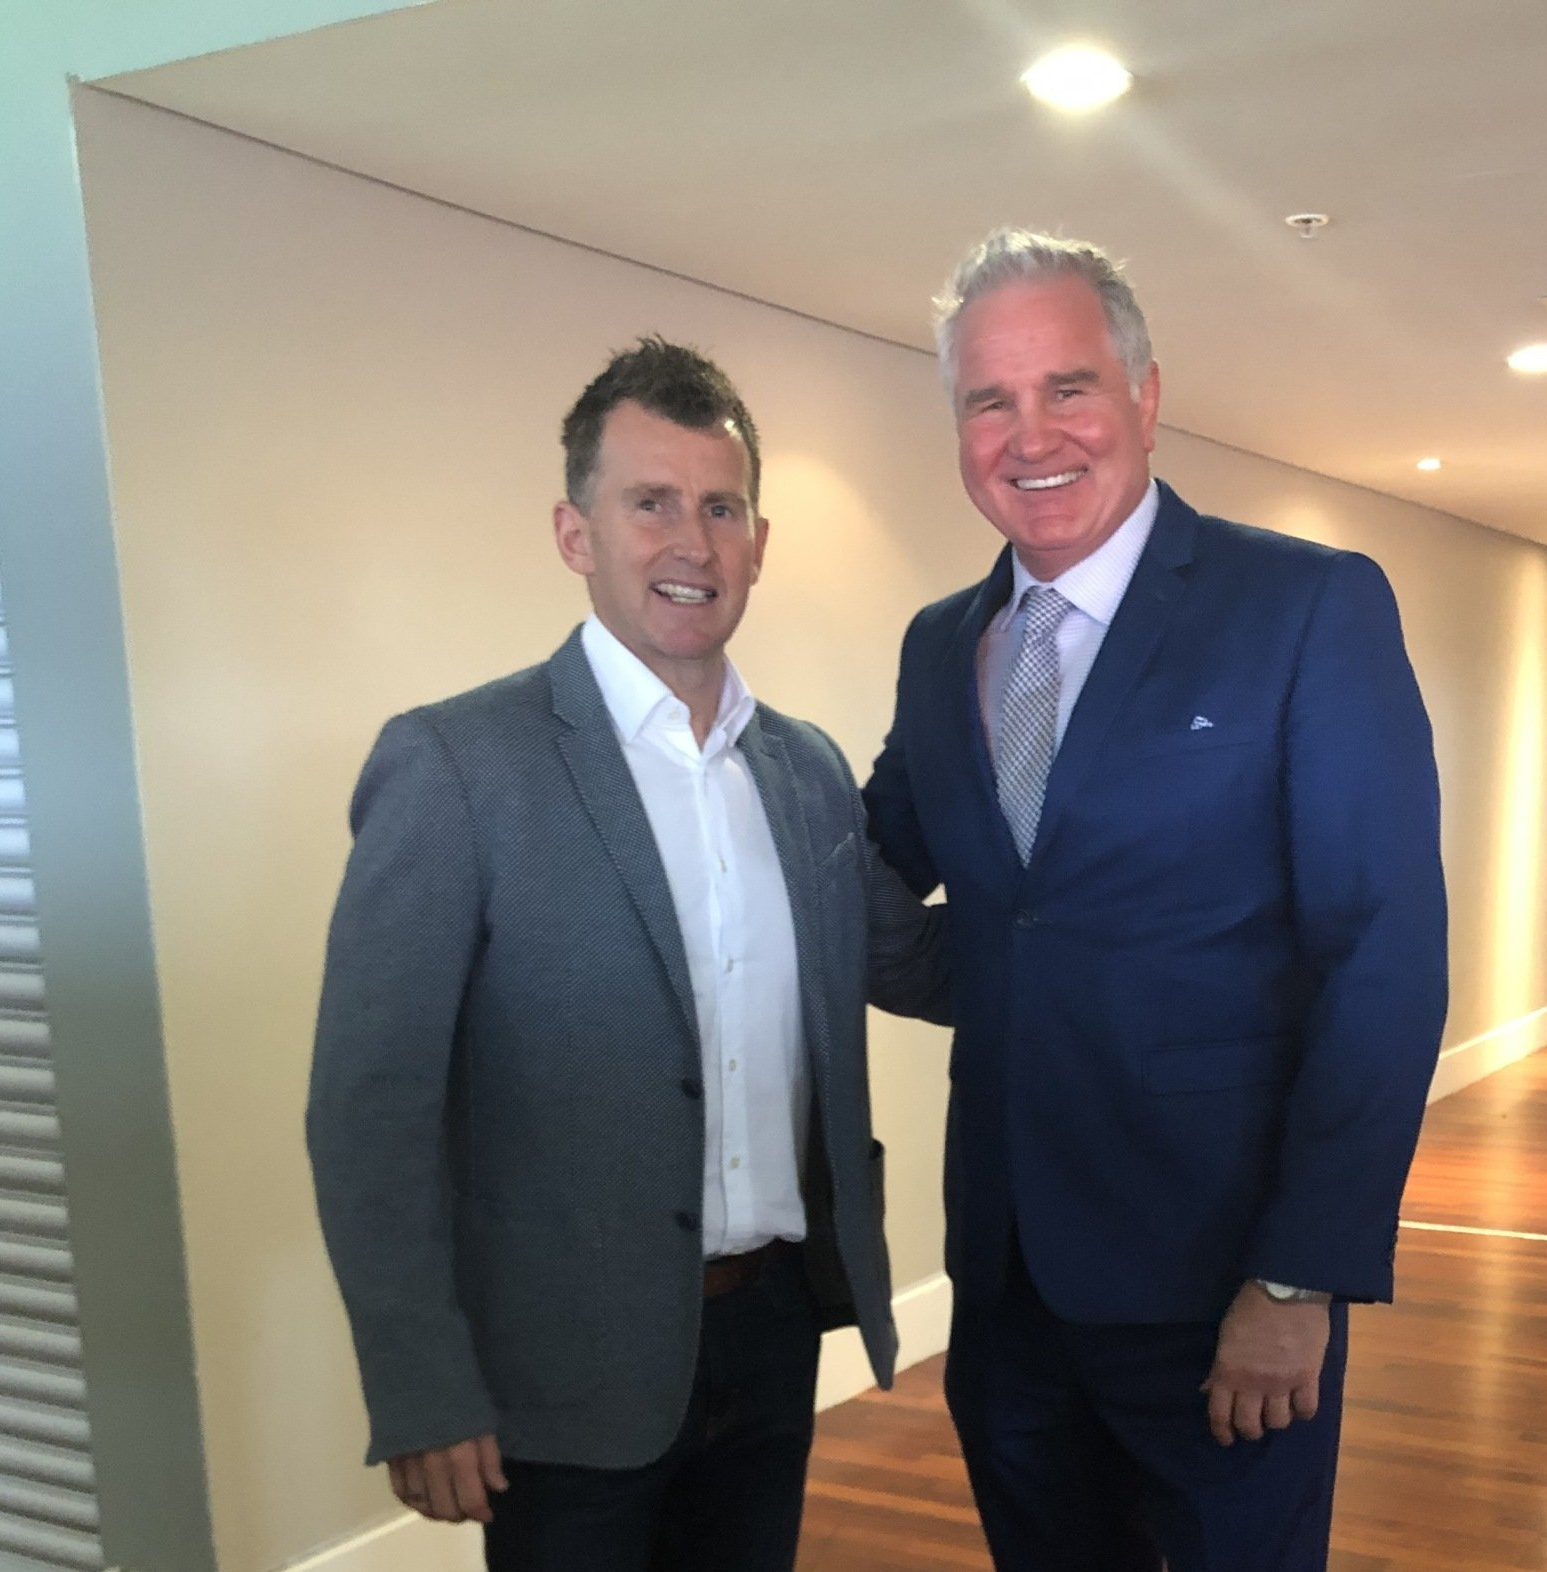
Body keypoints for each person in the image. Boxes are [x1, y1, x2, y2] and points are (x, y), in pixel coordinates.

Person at [307, 338, 947, 1572]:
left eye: (720, 508)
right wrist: (421, 1382)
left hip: (769, 1334)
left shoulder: (805, 773)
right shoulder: (456, 766)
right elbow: (369, 1106)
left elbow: (917, 964)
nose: (690, 544)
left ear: (759, 541)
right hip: (559, 1365)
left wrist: (1118, 884)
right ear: (574, 532)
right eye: (648, 503)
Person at [863, 230, 1448, 1571]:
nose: (1030, 433)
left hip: (1221, 1283)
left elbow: (1385, 961)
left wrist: (1301, 1276)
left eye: (1066, 387)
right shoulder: (943, 644)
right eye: (988, 401)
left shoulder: (1306, 607)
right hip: (1008, 1284)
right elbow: (885, 867)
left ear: (1144, 394)